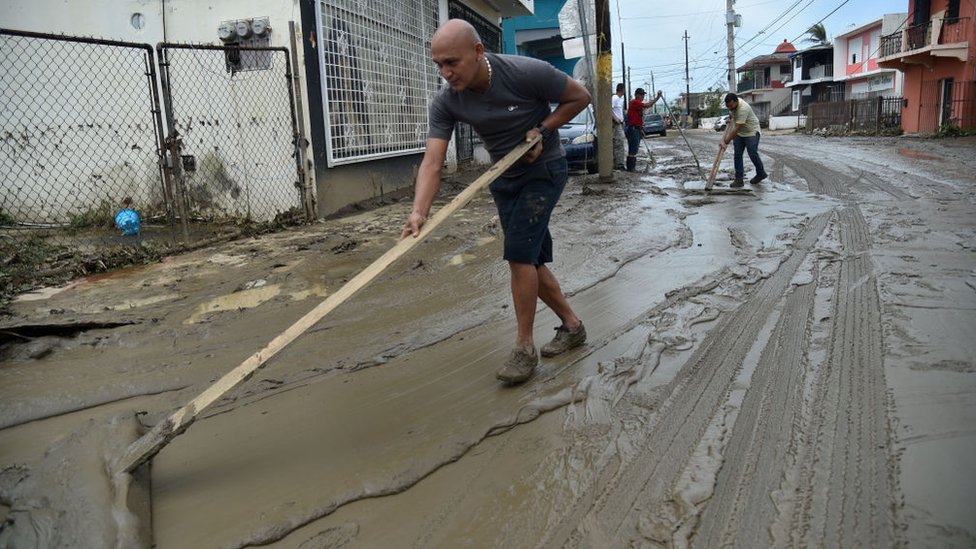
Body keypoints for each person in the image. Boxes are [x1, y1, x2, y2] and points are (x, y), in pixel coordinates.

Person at [400, 19, 590, 384]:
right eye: (438, 64)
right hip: (503, 178)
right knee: (530, 258)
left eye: (452, 62)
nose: (446, 73)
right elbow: (433, 162)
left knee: (519, 254)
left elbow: (578, 97)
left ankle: (523, 348)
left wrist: (544, 130)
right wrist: (419, 211)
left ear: (477, 52)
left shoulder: (525, 72)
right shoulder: (447, 101)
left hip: (544, 171)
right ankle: (572, 325)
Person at [719, 93, 767, 188]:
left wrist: (725, 142)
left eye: (731, 106)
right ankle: (739, 180)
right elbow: (732, 113)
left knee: (752, 152)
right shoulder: (733, 106)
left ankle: (761, 173)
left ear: (736, 102)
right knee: (737, 155)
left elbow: (736, 129)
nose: (730, 108)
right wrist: (730, 118)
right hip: (740, 133)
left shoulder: (743, 109)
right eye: (728, 106)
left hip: (751, 132)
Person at [625, 88, 663, 172]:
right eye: (642, 95)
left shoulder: (637, 104)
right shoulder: (634, 102)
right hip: (633, 129)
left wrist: (641, 129)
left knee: (634, 149)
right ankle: (630, 169)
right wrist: (657, 97)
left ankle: (631, 168)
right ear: (637, 95)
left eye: (643, 95)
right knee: (632, 149)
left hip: (636, 128)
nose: (643, 97)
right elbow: (647, 105)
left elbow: (639, 118)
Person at [611, 83, 627, 170]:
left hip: (620, 123)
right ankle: (619, 165)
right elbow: (609, 109)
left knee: (619, 143)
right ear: (622, 89)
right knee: (619, 144)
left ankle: (618, 163)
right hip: (616, 124)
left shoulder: (620, 99)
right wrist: (615, 119)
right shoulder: (615, 98)